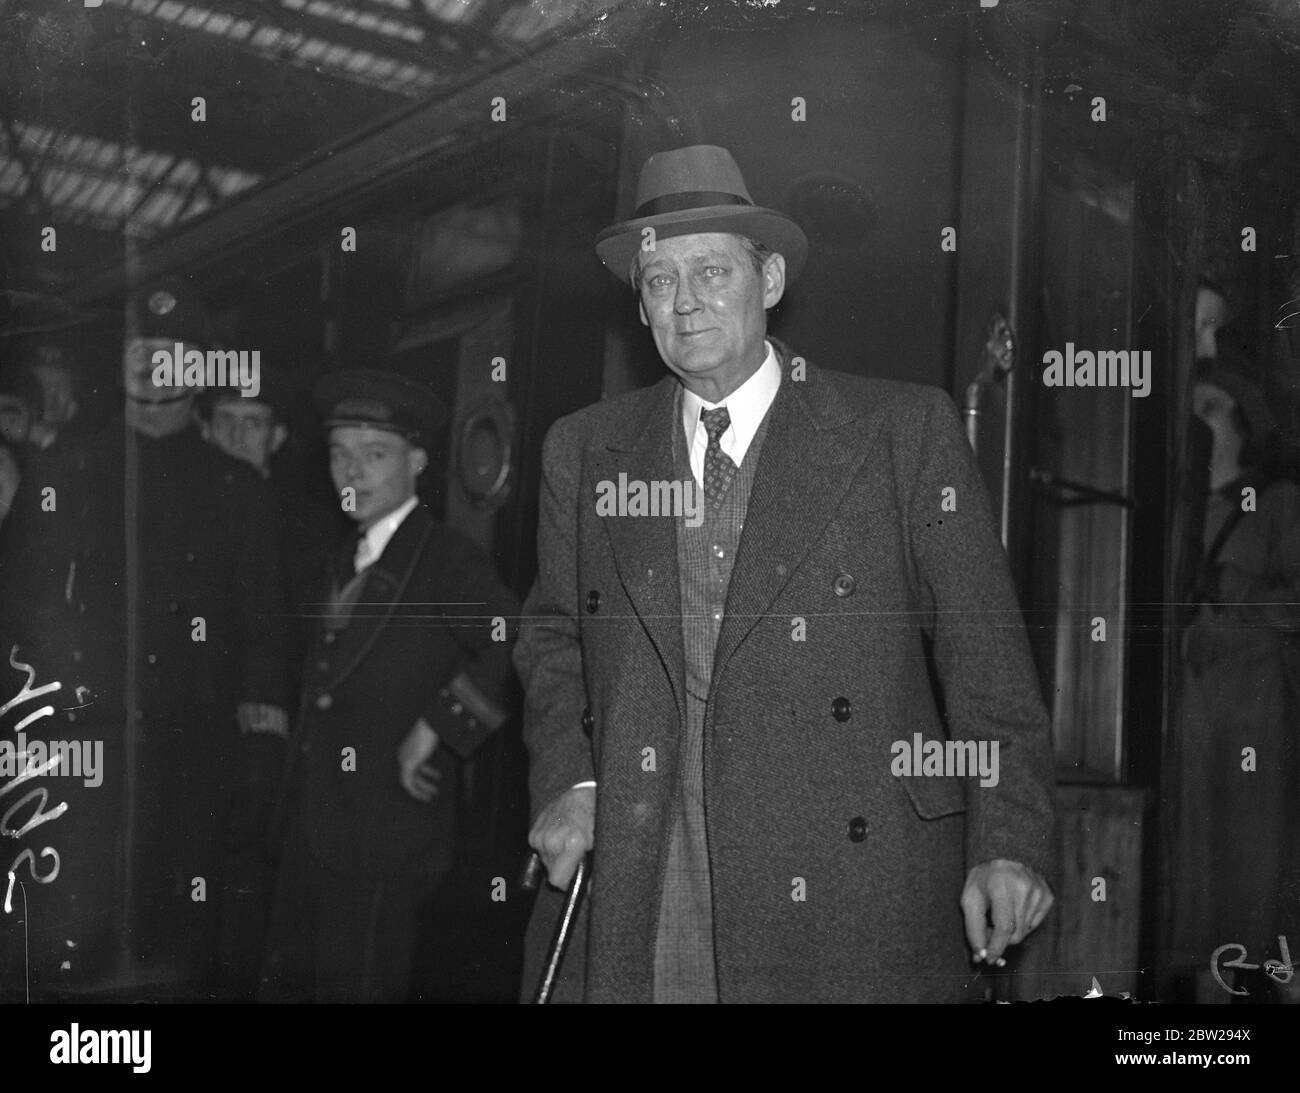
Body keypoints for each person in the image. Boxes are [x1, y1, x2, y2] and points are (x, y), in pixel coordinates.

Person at [514, 145, 1058, 1003]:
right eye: (659, 280)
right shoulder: (585, 450)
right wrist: (573, 778)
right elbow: (551, 634)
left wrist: (1009, 840)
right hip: (654, 862)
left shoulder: (900, 430)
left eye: (711, 270)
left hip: (853, 879)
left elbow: (984, 658)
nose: (686, 301)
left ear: (768, 280)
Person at [0, 276, 290, 1001]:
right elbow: (14, 610)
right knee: (69, 958)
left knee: (175, 962)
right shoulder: (65, 467)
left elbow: (262, 624)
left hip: (191, 768)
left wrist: (259, 750)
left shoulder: (238, 489)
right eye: (139, 348)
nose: (150, 363)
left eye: (170, 351)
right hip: (79, 764)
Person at [259, 369, 520, 1002]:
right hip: (314, 826)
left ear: (419, 461)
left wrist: (436, 729)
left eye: (373, 455)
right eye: (339, 454)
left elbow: (508, 632)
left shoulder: (444, 558)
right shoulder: (344, 553)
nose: (352, 473)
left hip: (383, 833)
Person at [1169, 350, 1300, 1002]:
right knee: (1201, 872)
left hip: (1258, 705)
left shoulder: (1280, 504)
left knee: (1260, 859)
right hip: (1197, 705)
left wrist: (1235, 600)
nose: (1199, 418)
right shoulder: (1177, 507)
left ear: (1248, 426)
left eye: (1214, 409)